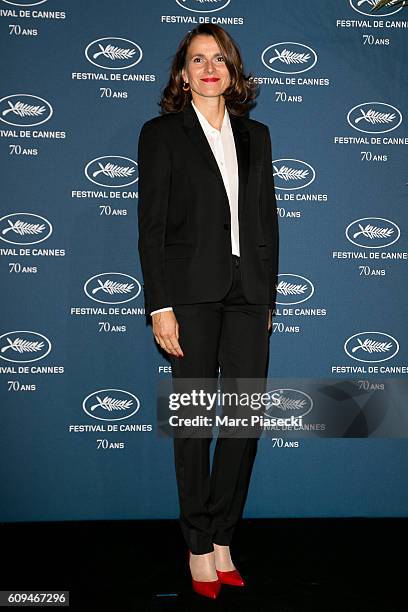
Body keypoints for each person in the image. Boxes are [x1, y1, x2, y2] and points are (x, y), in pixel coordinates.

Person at [137, 24, 279, 599]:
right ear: (182, 73)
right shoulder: (161, 133)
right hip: (189, 294)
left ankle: (223, 535)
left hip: (249, 293)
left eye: (219, 58)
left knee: (245, 420)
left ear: (233, 70)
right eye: (198, 59)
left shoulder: (257, 135)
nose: (209, 67)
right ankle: (197, 543)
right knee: (195, 423)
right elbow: (151, 225)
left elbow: (266, 219)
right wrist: (159, 305)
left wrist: (266, 295)